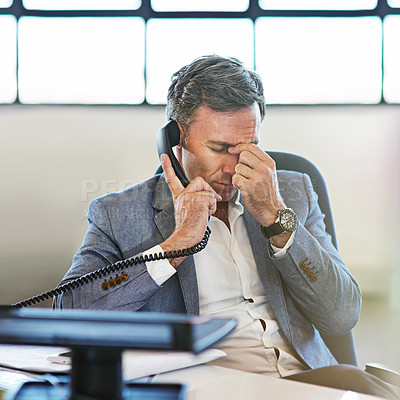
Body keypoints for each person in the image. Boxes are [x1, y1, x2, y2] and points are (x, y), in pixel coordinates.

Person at [55, 55, 399, 399]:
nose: (236, 167)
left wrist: (277, 219)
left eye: (249, 148)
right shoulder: (119, 213)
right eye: (220, 149)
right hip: (208, 388)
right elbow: (69, 314)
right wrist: (173, 249)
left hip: (311, 383)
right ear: (176, 141)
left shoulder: (292, 192)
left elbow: (342, 315)